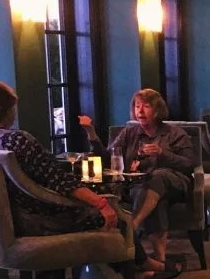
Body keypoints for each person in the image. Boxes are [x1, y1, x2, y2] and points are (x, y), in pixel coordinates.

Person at [0, 79, 176, 279]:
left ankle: (118, 269)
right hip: (40, 221)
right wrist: (101, 203)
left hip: (6, 223)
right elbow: (59, 180)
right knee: (116, 213)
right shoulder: (16, 140)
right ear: (7, 110)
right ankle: (140, 267)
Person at [80, 89, 195, 269]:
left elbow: (189, 164)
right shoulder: (129, 133)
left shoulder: (174, 133)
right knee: (153, 197)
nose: (140, 111)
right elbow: (108, 158)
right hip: (142, 187)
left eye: (146, 107)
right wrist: (91, 133)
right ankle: (160, 263)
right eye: (137, 106)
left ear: (157, 111)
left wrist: (162, 153)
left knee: (158, 175)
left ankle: (132, 226)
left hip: (175, 183)